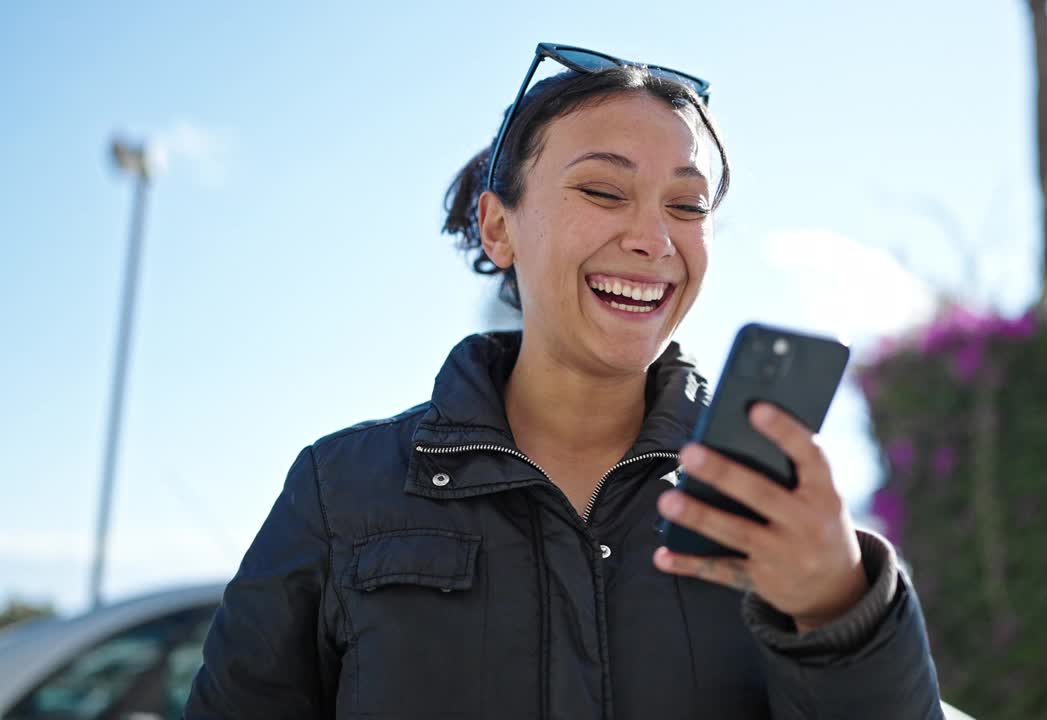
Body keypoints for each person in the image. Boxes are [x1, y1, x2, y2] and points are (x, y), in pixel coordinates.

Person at [184, 43, 943, 719]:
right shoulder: (340, 490)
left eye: (687, 205)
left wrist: (843, 612)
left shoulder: (768, 504)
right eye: (604, 192)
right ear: (497, 226)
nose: (652, 239)